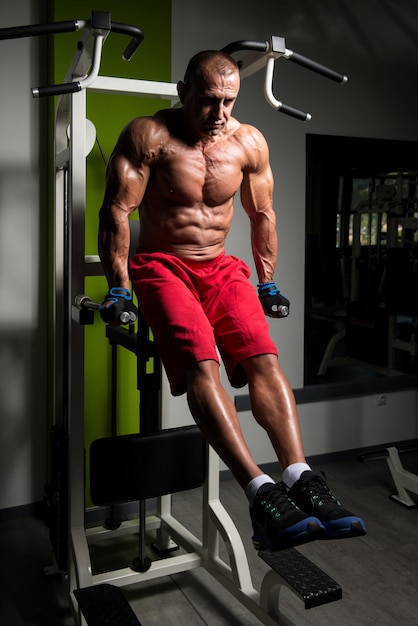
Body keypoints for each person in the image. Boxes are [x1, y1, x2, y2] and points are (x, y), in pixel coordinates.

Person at [98, 50, 366, 551]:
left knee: (264, 358)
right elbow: (116, 212)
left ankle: (300, 476)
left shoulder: (247, 142)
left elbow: (262, 215)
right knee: (203, 365)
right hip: (163, 265)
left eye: (228, 102)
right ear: (183, 92)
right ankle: (260, 491)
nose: (219, 114)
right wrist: (118, 287)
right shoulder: (148, 136)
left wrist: (265, 281)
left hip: (221, 267)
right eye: (207, 101)